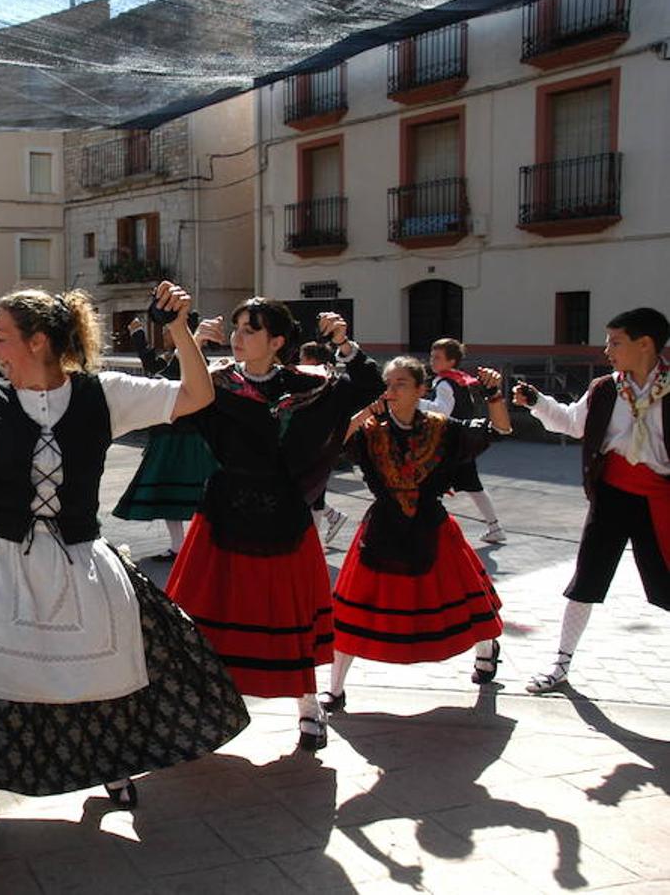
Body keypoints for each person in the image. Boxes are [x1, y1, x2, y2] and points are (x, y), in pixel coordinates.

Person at [0, 282, 249, 812]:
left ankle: (111, 764)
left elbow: (195, 396)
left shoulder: (103, 393)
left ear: (38, 341)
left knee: (97, 670)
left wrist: (180, 329)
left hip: (78, 554)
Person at [166, 299, 383, 751]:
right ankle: (192, 710)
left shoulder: (309, 385)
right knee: (209, 613)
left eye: (251, 329)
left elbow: (366, 386)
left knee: (288, 614)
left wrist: (343, 343)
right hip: (224, 512)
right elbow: (168, 395)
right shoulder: (216, 382)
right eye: (237, 328)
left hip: (284, 516)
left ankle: (308, 706)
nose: (238, 336)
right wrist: (189, 344)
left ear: (277, 341)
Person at [318, 358, 510, 711]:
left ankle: (486, 650)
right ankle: (335, 688)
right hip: (383, 525)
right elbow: (331, 441)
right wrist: (365, 412)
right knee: (354, 611)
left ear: (421, 389)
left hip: (431, 524)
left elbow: (498, 430)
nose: (391, 391)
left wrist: (494, 394)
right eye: (388, 384)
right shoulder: (371, 429)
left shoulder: (442, 428)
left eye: (401, 384)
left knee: (465, 600)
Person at [516, 307, 670, 694]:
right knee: (586, 580)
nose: (607, 350)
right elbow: (572, 422)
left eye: (615, 342)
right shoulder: (606, 389)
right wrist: (536, 401)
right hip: (612, 496)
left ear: (645, 344)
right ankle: (561, 663)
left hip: (660, 501)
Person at [111, 311, 220, 560]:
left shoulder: (193, 359)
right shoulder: (176, 357)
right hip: (173, 434)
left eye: (169, 329)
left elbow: (166, 377)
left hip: (188, 435)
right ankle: (180, 546)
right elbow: (155, 371)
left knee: (199, 493)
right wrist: (138, 336)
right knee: (173, 493)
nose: (164, 333)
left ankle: (198, 545)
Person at [420, 338, 507, 544]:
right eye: (432, 356)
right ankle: (495, 527)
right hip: (462, 442)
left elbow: (441, 411)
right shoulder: (460, 379)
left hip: (447, 443)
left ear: (451, 361)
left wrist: (415, 402)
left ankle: (429, 530)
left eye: (437, 357)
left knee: (431, 485)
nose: (432, 360)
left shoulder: (444, 382)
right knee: (473, 486)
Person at [299, 340, 349, 545]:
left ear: (311, 360)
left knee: (315, 487)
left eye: (302, 358)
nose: (300, 362)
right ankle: (333, 516)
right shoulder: (321, 380)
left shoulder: (326, 383)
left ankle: (322, 528)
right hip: (318, 445)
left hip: (320, 445)